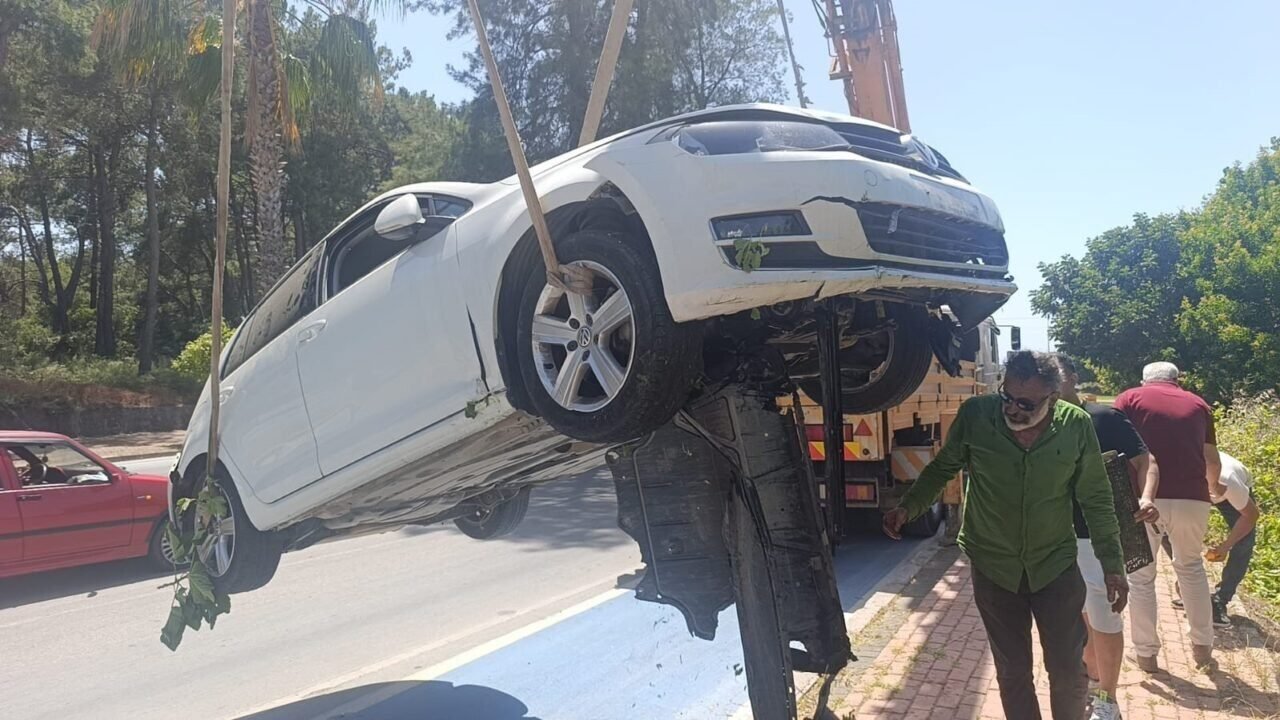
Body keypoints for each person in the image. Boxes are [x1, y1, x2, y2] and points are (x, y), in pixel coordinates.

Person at [884, 351, 1126, 720]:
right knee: (1012, 672)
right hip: (993, 566)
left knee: (1067, 669)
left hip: (1055, 565)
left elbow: (1096, 498)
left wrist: (1113, 566)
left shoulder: (1075, 425)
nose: (1012, 409)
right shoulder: (976, 416)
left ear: (1052, 398)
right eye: (1007, 397)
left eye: (1026, 403)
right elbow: (943, 467)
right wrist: (909, 507)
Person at [1055, 354, 1160, 720]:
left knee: (1103, 615)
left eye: (1057, 376)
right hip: (1056, 537)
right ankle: (1095, 682)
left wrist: (1147, 497)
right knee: (1080, 617)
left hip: (1098, 537)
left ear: (1073, 377)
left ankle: (1107, 700)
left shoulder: (1104, 418)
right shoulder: (1040, 424)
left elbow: (1147, 461)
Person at [1114, 361, 1222, 670]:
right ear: (1178, 380)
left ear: (1144, 380)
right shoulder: (1199, 405)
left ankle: (1146, 654)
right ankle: (1202, 648)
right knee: (1191, 568)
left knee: (1141, 576)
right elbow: (1211, 459)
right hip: (1193, 498)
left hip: (1143, 499)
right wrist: (1214, 488)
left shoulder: (1129, 399)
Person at [1206, 452, 1259, 626]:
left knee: (1244, 541)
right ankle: (1191, 589)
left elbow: (1251, 516)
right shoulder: (1178, 474)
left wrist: (1226, 546)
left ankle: (1220, 599)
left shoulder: (1229, 481)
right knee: (1168, 529)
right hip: (1204, 490)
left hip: (1230, 493)